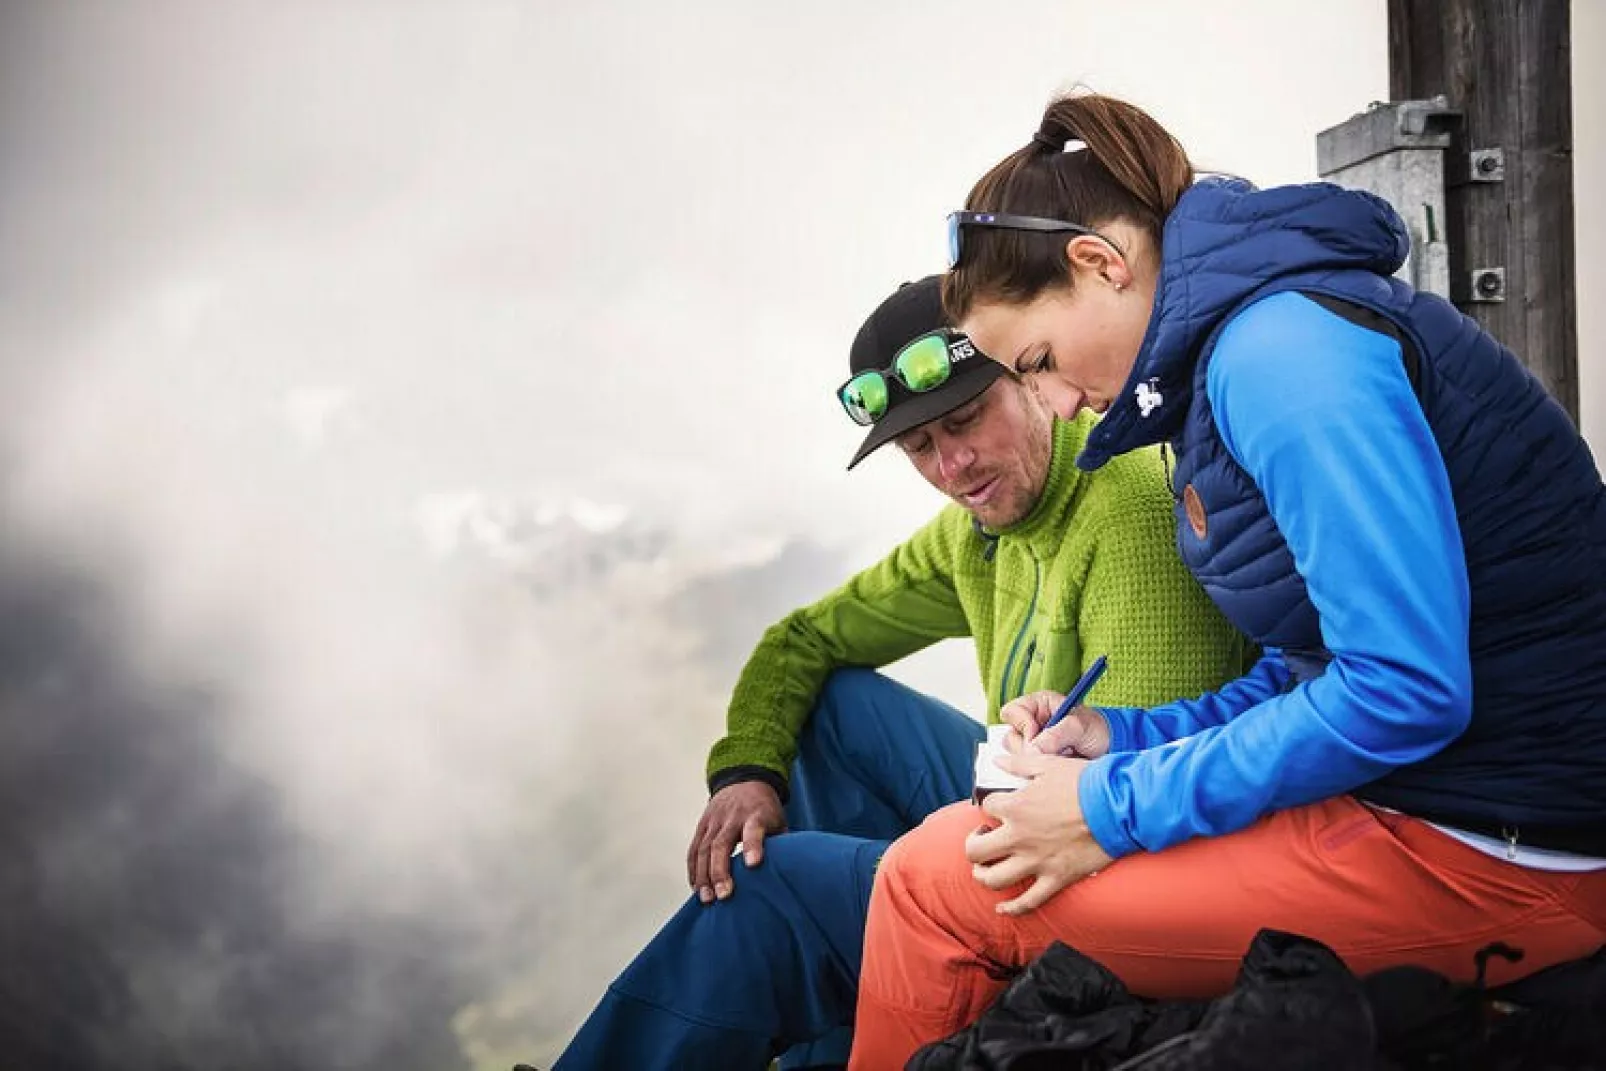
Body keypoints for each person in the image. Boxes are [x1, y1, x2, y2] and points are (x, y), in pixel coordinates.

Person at [847, 91, 1606, 1069]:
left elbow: (1407, 691)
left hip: (1500, 854)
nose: (1056, 399)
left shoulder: (1283, 358)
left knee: (932, 883)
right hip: (1428, 807)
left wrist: (1109, 805)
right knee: (965, 848)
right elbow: (1312, 665)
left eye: (1035, 361)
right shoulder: (1228, 364)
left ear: (1099, 262)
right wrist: (1116, 738)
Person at [551, 276, 1251, 1071]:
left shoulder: (1122, 514)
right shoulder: (979, 532)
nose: (953, 464)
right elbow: (802, 641)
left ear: (1028, 374)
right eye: (919, 446)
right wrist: (747, 770)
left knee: (771, 893)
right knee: (830, 705)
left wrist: (934, 879)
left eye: (964, 419)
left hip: (1121, 877)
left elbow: (1122, 819)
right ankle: (855, 1020)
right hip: (1027, 798)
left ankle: (864, 993)